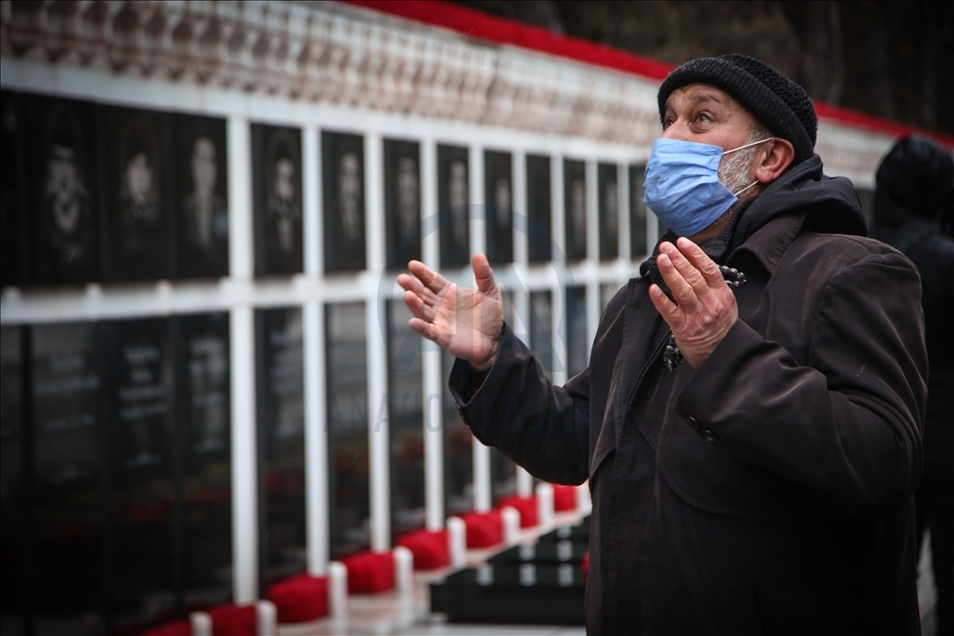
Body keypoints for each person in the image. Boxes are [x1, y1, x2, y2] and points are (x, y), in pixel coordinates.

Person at [398, 54, 927, 634]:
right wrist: (493, 359)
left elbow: (883, 462)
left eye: (701, 119)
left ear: (769, 158)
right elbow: (578, 440)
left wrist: (725, 354)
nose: (670, 139)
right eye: (668, 119)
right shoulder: (649, 294)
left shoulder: (850, 271)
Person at [870, 135, 954, 635]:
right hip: (945, 443)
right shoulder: (943, 259)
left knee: (883, 580)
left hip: (880, 438)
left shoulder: (860, 253)